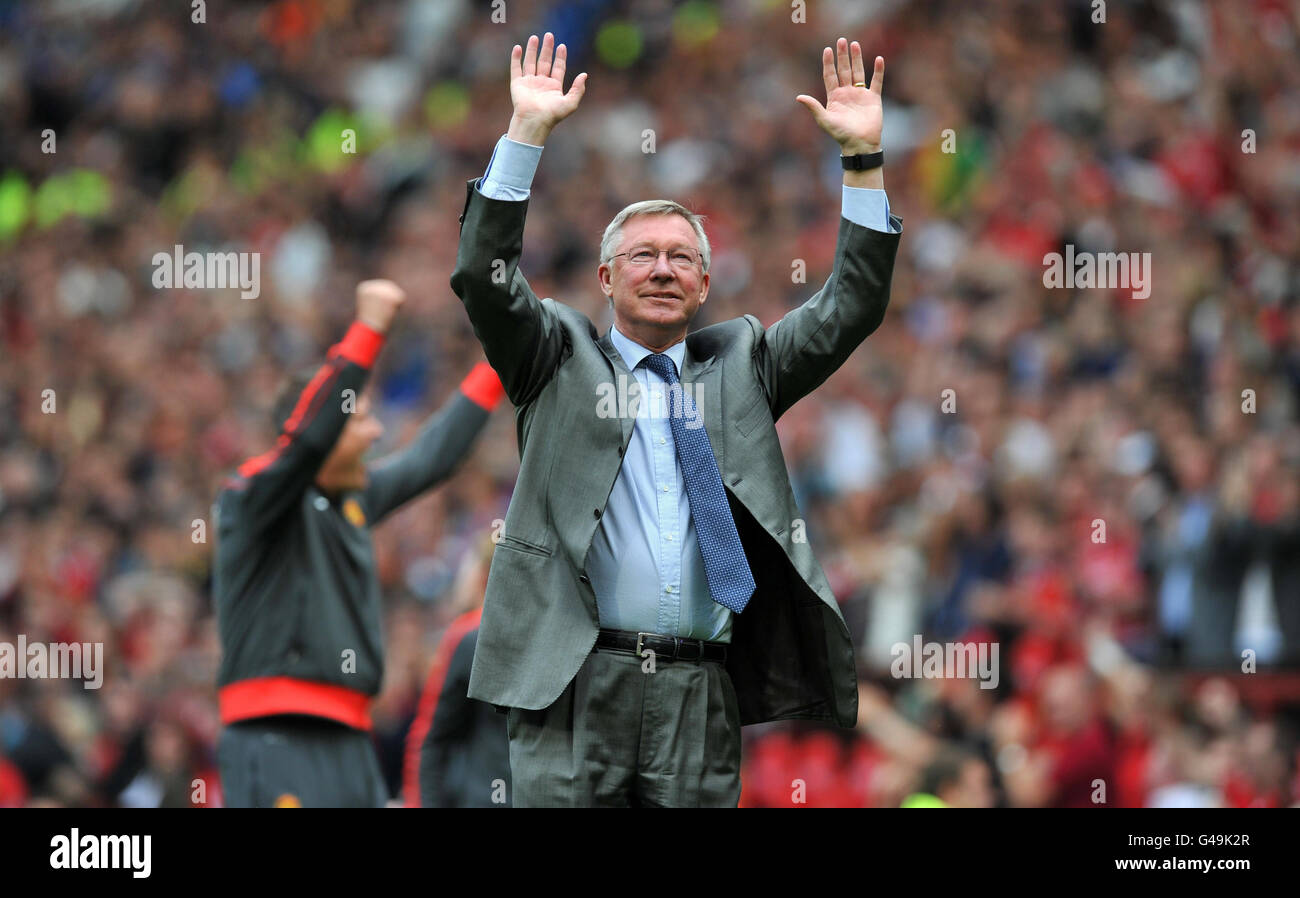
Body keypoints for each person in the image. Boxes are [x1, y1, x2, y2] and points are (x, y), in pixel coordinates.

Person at [450, 33, 902, 807]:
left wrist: (861, 163)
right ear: (604, 278)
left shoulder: (745, 365)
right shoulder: (554, 357)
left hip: (700, 694)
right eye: (642, 255)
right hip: (573, 687)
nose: (663, 268)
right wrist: (524, 135)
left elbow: (850, 307)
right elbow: (485, 282)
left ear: (702, 286)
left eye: (682, 258)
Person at [213, 279, 505, 807]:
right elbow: (305, 443)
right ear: (325, 425)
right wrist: (367, 330)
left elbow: (430, 458)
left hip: (349, 737)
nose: (374, 434)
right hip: (278, 735)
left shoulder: (351, 501)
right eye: (361, 417)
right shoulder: (251, 500)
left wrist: (501, 360)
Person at [402, 534, 511, 808]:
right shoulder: (471, 637)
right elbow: (431, 741)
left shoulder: (468, 635)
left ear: (483, 577)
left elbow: (430, 739)